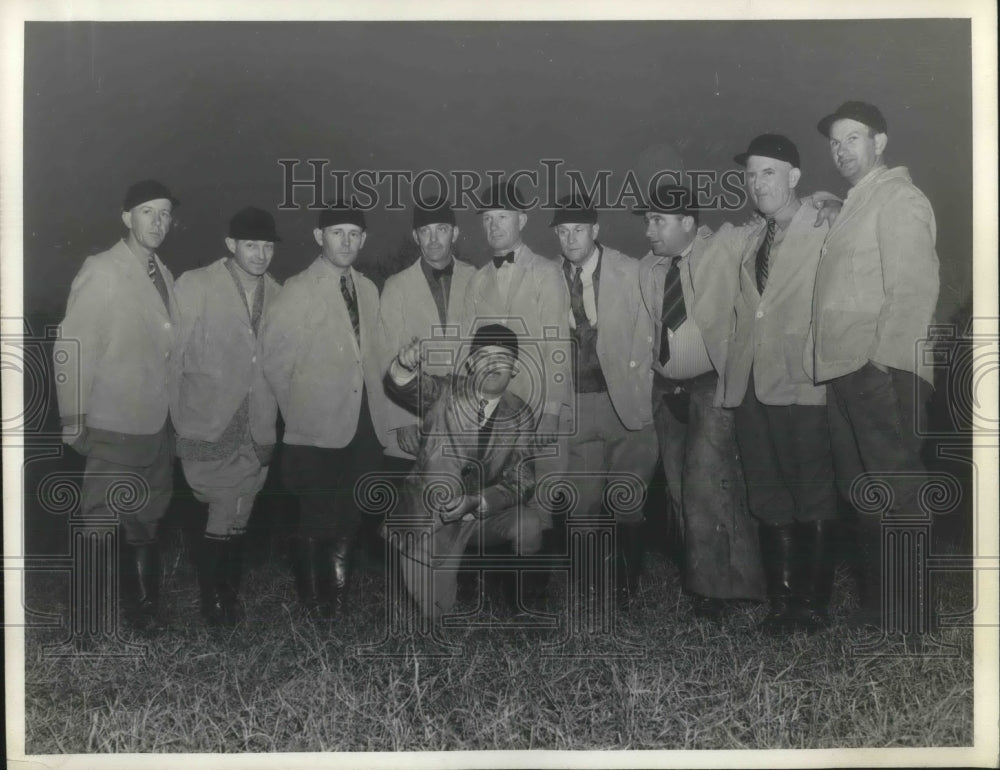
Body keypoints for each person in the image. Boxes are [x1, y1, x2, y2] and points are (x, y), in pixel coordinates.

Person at [810, 101, 940, 630]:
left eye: (853, 139)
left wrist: (884, 365)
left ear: (880, 143)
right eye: (835, 143)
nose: (842, 151)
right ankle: (882, 608)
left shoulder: (898, 197)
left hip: (879, 367)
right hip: (846, 368)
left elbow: (913, 288)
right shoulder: (858, 202)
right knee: (863, 494)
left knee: (898, 490)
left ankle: (912, 616)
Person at [53, 179, 181, 629]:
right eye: (148, 212)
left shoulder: (163, 274)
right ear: (127, 217)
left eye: (165, 214)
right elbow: (72, 344)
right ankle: (87, 624)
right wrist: (74, 417)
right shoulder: (104, 269)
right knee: (100, 524)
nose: (158, 222)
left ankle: (143, 615)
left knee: (146, 522)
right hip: (113, 422)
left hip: (156, 426)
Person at [724, 135, 839, 632]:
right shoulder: (752, 237)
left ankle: (812, 607)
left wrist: (831, 200)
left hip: (802, 378)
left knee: (811, 489)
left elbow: (855, 215)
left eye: (768, 172)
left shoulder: (824, 221)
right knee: (767, 491)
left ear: (794, 176)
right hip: (752, 381)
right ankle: (781, 604)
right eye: (750, 174)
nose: (757, 182)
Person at [636, 184, 766, 618]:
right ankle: (702, 580)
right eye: (648, 220)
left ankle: (723, 592)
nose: (649, 229)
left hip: (710, 384)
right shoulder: (649, 268)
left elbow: (772, 219)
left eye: (659, 220)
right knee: (678, 489)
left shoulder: (723, 244)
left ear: (688, 222)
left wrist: (825, 198)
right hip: (666, 389)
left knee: (707, 485)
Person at [259, 204, 388, 618]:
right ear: (320, 238)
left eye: (354, 233)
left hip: (361, 424)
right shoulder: (297, 289)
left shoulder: (367, 289)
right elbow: (275, 362)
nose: (346, 241)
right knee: (316, 517)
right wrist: (302, 412)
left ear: (364, 239)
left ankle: (337, 604)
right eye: (337, 233)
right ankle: (314, 607)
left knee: (348, 516)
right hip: (314, 427)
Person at [462, 178, 573, 607]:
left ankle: (533, 604)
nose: (494, 226)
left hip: (540, 409)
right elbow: (469, 352)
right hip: (497, 415)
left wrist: (550, 410)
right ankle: (493, 594)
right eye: (487, 219)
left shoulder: (547, 272)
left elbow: (558, 347)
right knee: (498, 495)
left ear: (522, 220)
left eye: (502, 217)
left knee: (541, 499)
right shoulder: (476, 281)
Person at [171, 206, 282, 626]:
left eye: (268, 245)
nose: (260, 254)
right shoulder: (195, 284)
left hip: (257, 426)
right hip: (208, 421)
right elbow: (172, 357)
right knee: (220, 508)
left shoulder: (279, 291)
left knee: (240, 513)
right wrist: (176, 421)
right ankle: (215, 605)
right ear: (231, 245)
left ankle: (226, 599)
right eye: (251, 245)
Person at [384, 324, 537, 621]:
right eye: (484, 356)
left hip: (481, 515)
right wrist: (403, 367)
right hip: (430, 515)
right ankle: (445, 592)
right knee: (434, 612)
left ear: (515, 368)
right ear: (470, 364)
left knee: (528, 523)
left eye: (502, 357)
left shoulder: (521, 414)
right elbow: (409, 385)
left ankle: (522, 604)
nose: (492, 365)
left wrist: (479, 502)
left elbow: (523, 479)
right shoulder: (444, 392)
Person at [549, 195, 658, 608]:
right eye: (562, 231)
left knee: (627, 499)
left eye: (579, 229)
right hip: (574, 405)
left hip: (626, 404)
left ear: (596, 230)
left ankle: (626, 587)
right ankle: (590, 589)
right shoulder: (547, 276)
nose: (571, 238)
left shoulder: (632, 271)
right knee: (581, 503)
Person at [379, 197, 476, 468]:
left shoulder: (477, 278)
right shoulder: (396, 287)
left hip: (463, 426)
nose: (433, 239)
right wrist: (401, 421)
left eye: (442, 229)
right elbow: (387, 356)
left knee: (461, 506)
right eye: (425, 231)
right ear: (415, 236)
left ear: (455, 233)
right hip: (415, 424)